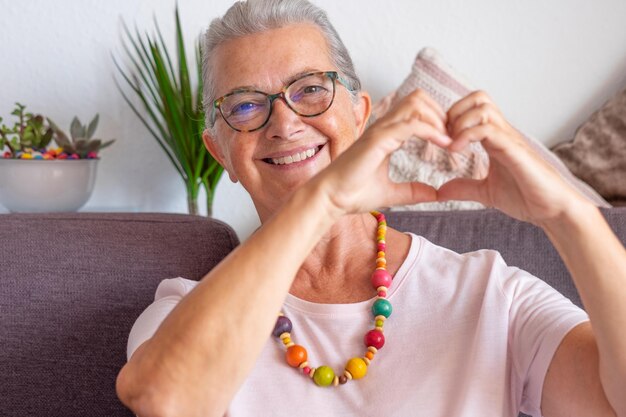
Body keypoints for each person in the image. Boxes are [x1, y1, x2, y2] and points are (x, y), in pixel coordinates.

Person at [115, 0, 626, 416]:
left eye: (311, 89)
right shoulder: (185, 313)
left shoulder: (492, 295)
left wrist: (571, 215)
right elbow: (167, 399)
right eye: (246, 105)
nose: (284, 123)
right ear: (219, 151)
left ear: (360, 116)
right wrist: (324, 198)